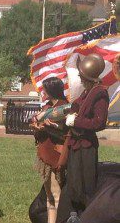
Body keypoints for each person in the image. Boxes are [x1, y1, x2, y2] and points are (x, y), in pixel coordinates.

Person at [57, 53, 109, 222]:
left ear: (88, 76)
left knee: (85, 187)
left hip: (86, 146)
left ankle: (87, 217)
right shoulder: (86, 93)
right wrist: (68, 113)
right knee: (73, 185)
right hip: (75, 143)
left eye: (81, 75)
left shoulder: (99, 93)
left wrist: (77, 120)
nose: (79, 78)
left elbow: (99, 123)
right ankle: (73, 216)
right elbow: (76, 108)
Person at [30, 77, 69, 223]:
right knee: (49, 195)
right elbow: (37, 124)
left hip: (56, 154)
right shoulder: (46, 107)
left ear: (51, 90)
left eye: (44, 89)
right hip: (44, 152)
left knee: (56, 193)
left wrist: (52, 127)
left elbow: (67, 133)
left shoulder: (64, 107)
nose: (42, 91)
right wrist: (37, 127)